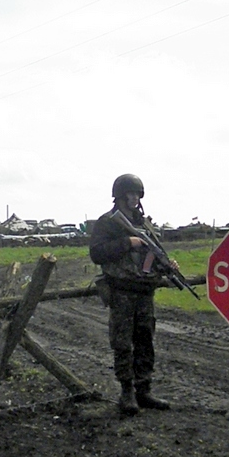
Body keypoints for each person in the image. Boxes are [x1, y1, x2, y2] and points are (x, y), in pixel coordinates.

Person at [89, 174, 173, 415]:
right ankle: (127, 392)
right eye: (130, 194)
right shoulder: (108, 223)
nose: (135, 198)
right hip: (122, 291)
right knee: (123, 342)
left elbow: (154, 256)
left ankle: (143, 389)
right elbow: (97, 253)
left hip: (144, 291)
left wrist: (167, 265)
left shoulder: (144, 224)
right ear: (120, 195)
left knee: (145, 340)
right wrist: (128, 242)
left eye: (138, 194)